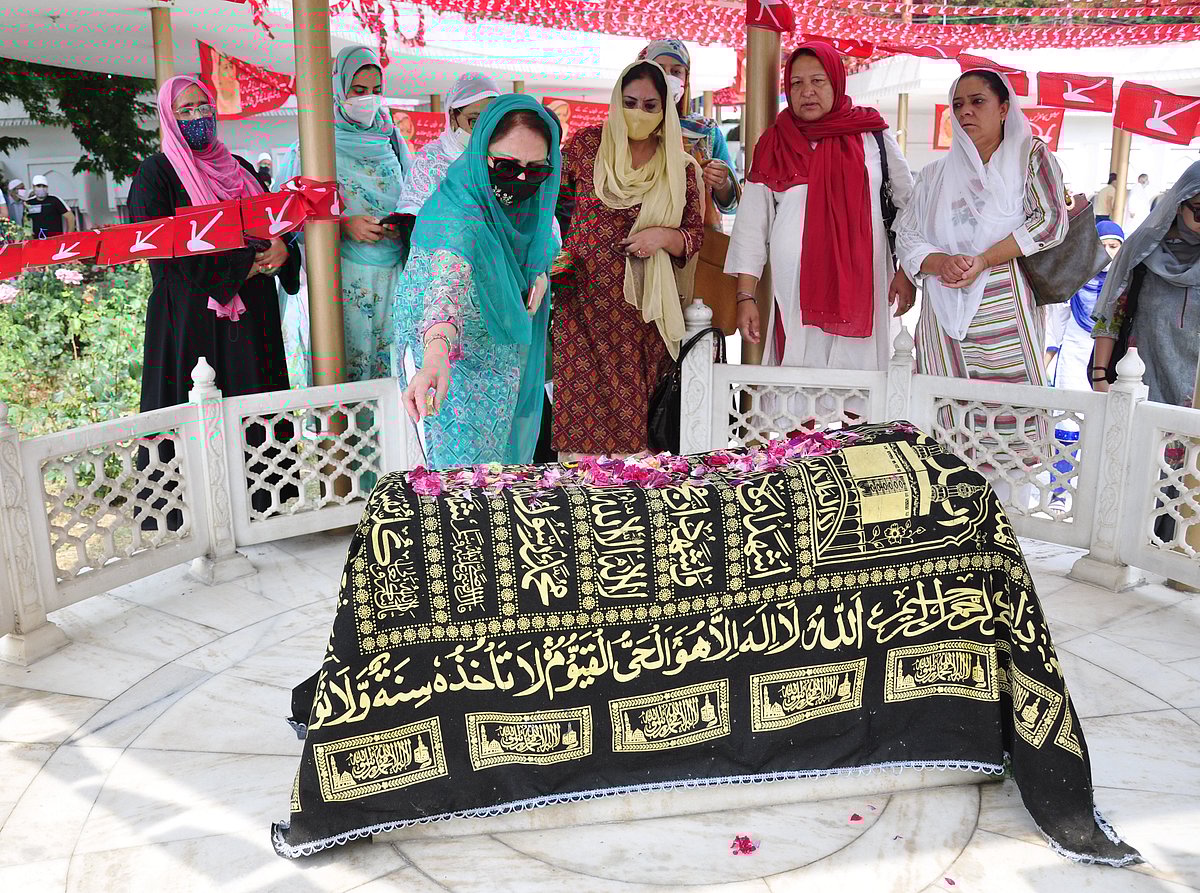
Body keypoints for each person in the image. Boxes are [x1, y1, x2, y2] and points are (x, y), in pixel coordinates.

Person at [128, 75, 300, 524]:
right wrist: (243, 265)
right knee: (197, 413)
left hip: (252, 314)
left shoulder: (239, 167)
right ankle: (191, 520)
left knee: (254, 410)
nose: (198, 116)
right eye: (185, 110)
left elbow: (271, 223)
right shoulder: (156, 173)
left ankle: (265, 508)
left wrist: (283, 252)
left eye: (203, 106)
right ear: (168, 117)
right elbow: (163, 247)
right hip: (192, 320)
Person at [896, 70, 1068, 499]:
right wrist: (940, 263)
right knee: (947, 423)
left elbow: (1050, 220)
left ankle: (1010, 529)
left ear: (1004, 108)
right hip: (943, 314)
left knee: (1009, 425)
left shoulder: (1030, 156)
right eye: (958, 105)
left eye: (978, 102)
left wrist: (983, 260)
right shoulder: (935, 175)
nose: (966, 112)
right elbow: (909, 234)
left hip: (1003, 310)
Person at [725, 42, 914, 385]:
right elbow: (752, 227)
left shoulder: (872, 136)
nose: (807, 92)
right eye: (796, 83)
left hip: (866, 285)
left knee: (862, 384)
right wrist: (745, 296)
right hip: (796, 292)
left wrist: (907, 272)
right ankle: (804, 440)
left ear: (837, 82)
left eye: (818, 81)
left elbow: (909, 206)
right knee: (800, 383)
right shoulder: (774, 143)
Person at [395, 95, 561, 468]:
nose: (520, 179)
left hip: (500, 360)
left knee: (499, 474)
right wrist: (436, 354)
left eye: (535, 170)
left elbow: (541, 245)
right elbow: (446, 286)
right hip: (447, 368)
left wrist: (540, 272)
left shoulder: (527, 210)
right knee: (459, 484)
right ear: (480, 151)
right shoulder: (458, 215)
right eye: (506, 165)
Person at [551, 60, 705, 459]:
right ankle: (579, 510)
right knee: (580, 431)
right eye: (630, 101)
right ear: (617, 101)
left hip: (641, 316)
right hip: (581, 306)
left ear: (665, 109)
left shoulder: (677, 165)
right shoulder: (586, 148)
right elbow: (547, 206)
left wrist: (662, 236)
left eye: (651, 105)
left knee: (635, 433)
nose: (639, 112)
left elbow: (693, 237)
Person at [278, 46, 412, 384]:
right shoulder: (316, 143)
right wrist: (342, 226)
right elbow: (288, 210)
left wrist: (403, 223)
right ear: (339, 89)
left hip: (394, 276)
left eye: (376, 91)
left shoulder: (390, 138)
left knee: (394, 374)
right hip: (341, 277)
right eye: (359, 90)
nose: (369, 99)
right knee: (348, 374)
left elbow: (415, 197)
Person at [1092, 161, 1200, 406]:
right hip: (1141, 391)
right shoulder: (1142, 252)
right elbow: (1112, 315)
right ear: (1179, 205)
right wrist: (1100, 377)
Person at [638, 38, 739, 219]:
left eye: (676, 71)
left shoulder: (706, 132)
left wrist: (722, 184)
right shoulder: (627, 128)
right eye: (658, 69)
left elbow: (732, 206)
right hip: (637, 239)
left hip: (697, 243)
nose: (668, 77)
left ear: (686, 78)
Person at [394, 72, 500, 215]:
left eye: (490, 121)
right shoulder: (430, 161)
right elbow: (412, 214)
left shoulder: (503, 157)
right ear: (452, 116)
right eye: (474, 121)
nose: (483, 130)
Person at [1045, 221, 1124, 392]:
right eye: (1102, 245)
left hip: (1105, 358)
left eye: (1113, 246)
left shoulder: (1124, 284)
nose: (1107, 251)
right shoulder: (1074, 278)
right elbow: (1056, 325)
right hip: (1073, 350)